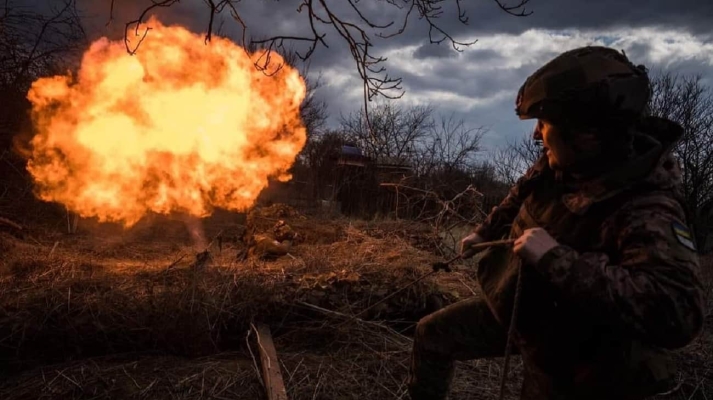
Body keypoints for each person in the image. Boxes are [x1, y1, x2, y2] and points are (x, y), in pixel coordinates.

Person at [407, 46, 705, 400]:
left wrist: (555, 259)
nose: (536, 135)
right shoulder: (564, 161)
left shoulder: (647, 208)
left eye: (545, 124)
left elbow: (678, 314)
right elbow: (521, 192)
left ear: (587, 134)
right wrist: (485, 231)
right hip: (528, 313)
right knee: (431, 335)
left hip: (583, 363)